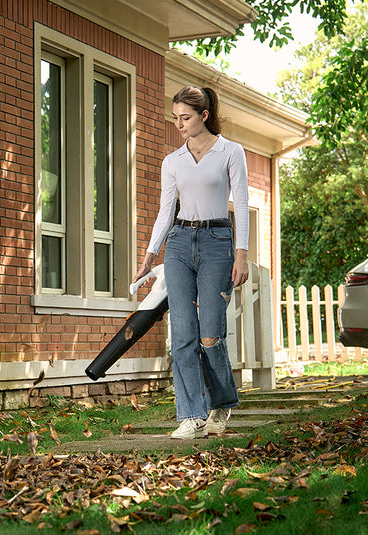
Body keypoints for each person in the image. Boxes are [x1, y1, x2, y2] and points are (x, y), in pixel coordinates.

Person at [133, 85, 249, 439]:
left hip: (217, 242)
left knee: (211, 334)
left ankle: (222, 403)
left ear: (204, 115)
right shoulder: (173, 161)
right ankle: (191, 415)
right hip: (180, 243)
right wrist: (149, 256)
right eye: (175, 118)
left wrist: (241, 253)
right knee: (182, 333)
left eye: (185, 118)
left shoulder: (231, 151)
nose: (179, 125)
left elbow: (241, 204)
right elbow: (166, 210)